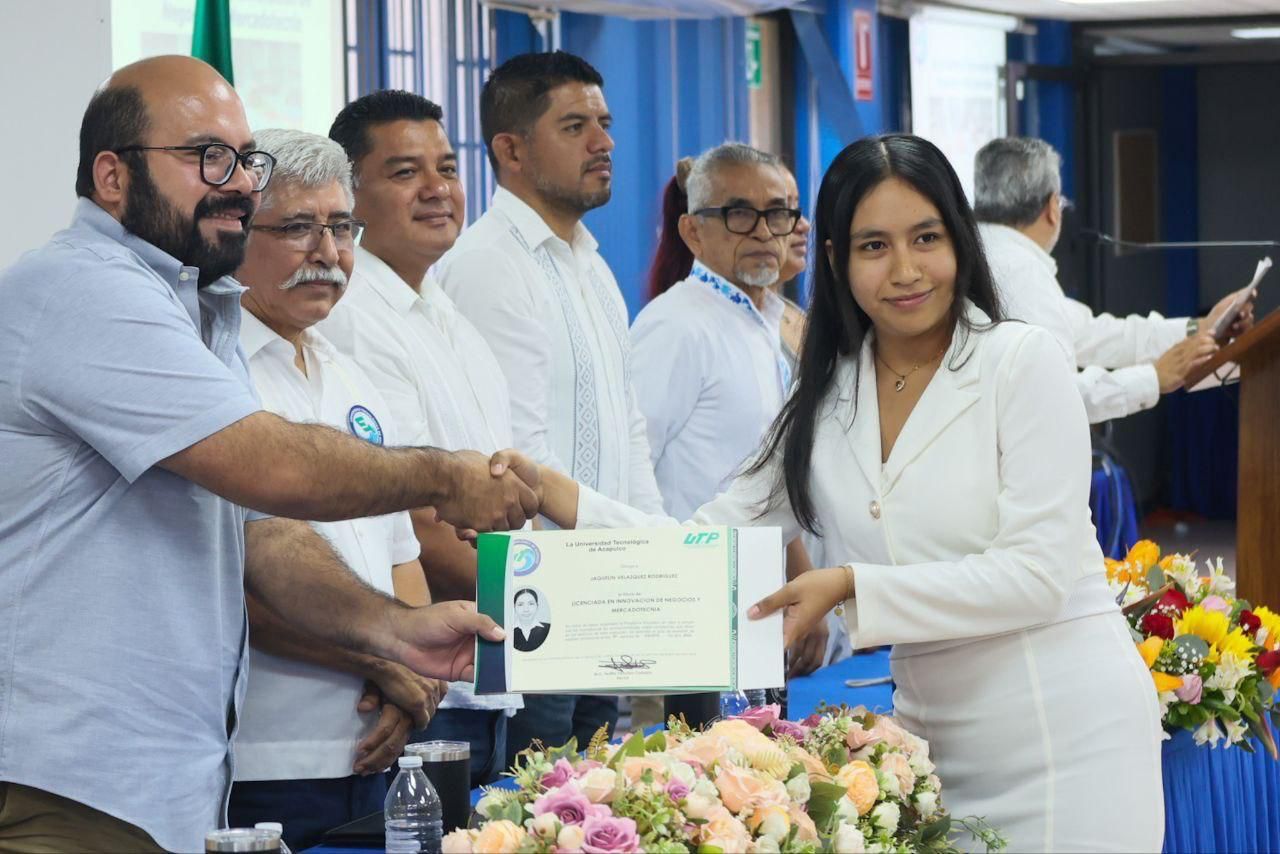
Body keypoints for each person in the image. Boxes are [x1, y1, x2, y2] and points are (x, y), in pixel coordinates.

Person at [506, 134, 1165, 851]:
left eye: (926, 238)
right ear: (833, 259)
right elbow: (701, 544)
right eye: (874, 246)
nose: (906, 270)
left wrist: (851, 584)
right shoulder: (827, 399)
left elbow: (1035, 577)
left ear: (961, 243)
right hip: (932, 747)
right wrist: (552, 493)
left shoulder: (1021, 361)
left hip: (1067, 736)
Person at [0, 56, 533, 852]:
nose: (240, 183)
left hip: (172, 782)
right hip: (74, 778)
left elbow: (258, 528)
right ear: (112, 177)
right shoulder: (83, 288)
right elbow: (273, 467)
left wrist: (391, 629)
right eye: (204, 157)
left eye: (245, 160)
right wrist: (444, 476)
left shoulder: (191, 305)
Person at [435, 50, 664, 767]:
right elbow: (514, 464)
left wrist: (658, 559)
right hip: (541, 610)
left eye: (604, 122)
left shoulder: (591, 266)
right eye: (575, 126)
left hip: (604, 602)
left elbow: (628, 435)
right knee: (546, 817)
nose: (605, 142)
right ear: (511, 148)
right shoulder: (488, 265)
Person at [226, 128, 448, 850]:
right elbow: (230, 577)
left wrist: (410, 675)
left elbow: (401, 557)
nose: (327, 253)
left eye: (341, 227)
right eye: (296, 228)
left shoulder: (351, 377)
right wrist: (379, 659)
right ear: (235, 234)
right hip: (265, 760)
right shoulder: (215, 374)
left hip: (382, 748)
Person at [321, 90, 521, 788]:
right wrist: (569, 598)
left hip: (488, 670)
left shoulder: (445, 315)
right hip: (426, 683)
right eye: (406, 172)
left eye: (447, 167)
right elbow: (410, 520)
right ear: (349, 194)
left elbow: (501, 495)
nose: (438, 189)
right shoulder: (352, 314)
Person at [630, 143, 827, 679]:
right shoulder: (674, 327)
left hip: (761, 606)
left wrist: (798, 581)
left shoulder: (771, 320)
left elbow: (772, 475)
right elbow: (631, 471)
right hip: (689, 613)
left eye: (778, 212)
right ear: (693, 231)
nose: (765, 231)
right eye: (740, 214)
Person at [974, 136, 1255, 423]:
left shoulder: (985, 253)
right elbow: (1056, 398)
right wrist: (1153, 377)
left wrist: (1201, 327)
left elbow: (1096, 334)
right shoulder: (1021, 272)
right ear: (1052, 208)